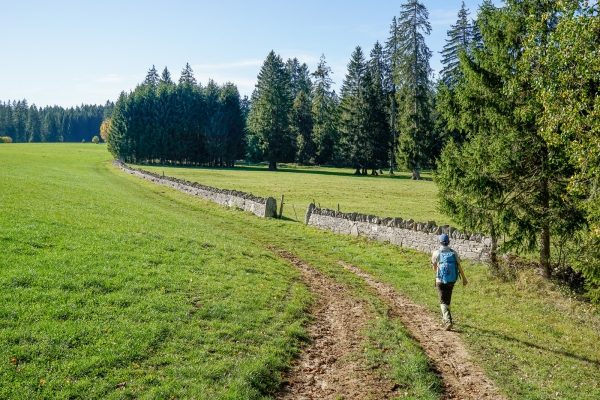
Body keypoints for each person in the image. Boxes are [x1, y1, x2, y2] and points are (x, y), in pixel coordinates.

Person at [431, 233, 468, 330]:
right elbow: (459, 266)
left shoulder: (436, 253)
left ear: (440, 242)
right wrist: (464, 279)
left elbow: (434, 268)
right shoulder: (453, 252)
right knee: (448, 299)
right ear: (448, 242)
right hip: (452, 280)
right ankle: (445, 318)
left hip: (440, 280)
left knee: (442, 301)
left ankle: (448, 321)